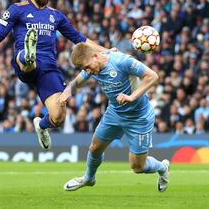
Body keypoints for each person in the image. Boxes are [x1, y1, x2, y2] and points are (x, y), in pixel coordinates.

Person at [0, 0, 105, 150]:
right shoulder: (16, 9)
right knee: (27, 59)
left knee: (58, 117)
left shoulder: (56, 16)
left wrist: (105, 51)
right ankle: (29, 54)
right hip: (24, 63)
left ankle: (41, 126)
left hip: (48, 69)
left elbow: (79, 39)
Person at [58, 43, 170, 192]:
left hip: (139, 117)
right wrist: (68, 90)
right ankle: (89, 178)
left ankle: (162, 168)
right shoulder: (92, 68)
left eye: (88, 67)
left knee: (137, 167)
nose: (88, 71)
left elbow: (152, 76)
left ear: (96, 55)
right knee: (95, 148)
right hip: (115, 113)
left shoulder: (122, 61)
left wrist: (132, 97)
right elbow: (76, 82)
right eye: (85, 69)